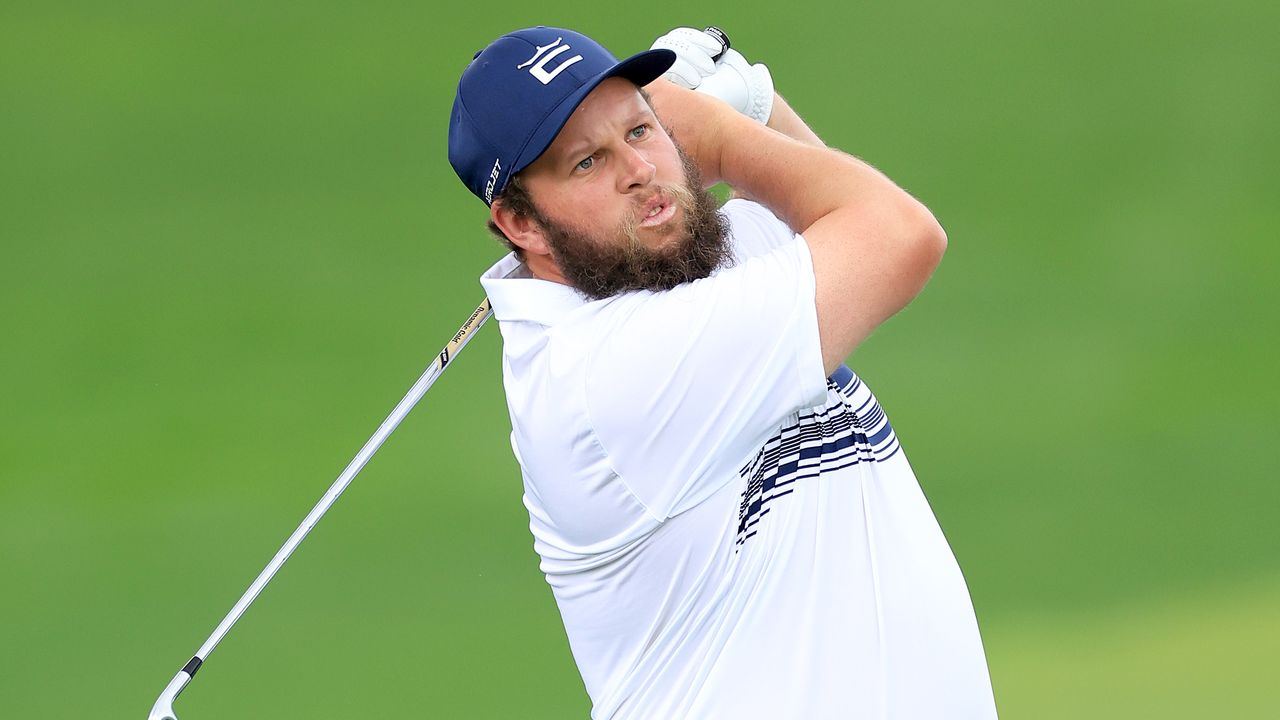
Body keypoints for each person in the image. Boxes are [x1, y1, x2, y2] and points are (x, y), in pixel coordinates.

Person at [447, 25, 997, 719]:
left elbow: (819, 198)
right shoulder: (610, 376)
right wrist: (723, 129)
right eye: (587, 163)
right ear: (521, 225)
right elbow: (897, 235)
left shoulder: (676, 268)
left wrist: (757, 109)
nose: (639, 171)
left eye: (641, 131)